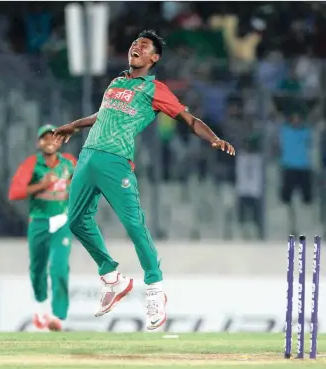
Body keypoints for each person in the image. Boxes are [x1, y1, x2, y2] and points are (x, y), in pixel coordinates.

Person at [53, 30, 235, 330]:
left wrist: (214, 138)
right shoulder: (116, 82)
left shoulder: (155, 89)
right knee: (75, 221)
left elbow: (189, 119)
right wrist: (74, 125)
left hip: (116, 161)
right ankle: (113, 279)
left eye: (144, 46)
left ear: (154, 58)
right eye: (135, 43)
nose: (136, 47)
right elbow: (103, 115)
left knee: (134, 225)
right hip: (88, 156)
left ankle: (155, 290)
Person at [8, 124, 77, 331]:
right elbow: (15, 193)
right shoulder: (32, 164)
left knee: (59, 268)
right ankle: (40, 309)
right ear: (39, 143)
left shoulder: (69, 163)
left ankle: (58, 317)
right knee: (38, 269)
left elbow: (79, 183)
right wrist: (42, 184)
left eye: (54, 138)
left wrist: (73, 192)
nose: (50, 142)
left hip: (62, 221)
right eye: (45, 139)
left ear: (60, 141)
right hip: (38, 221)